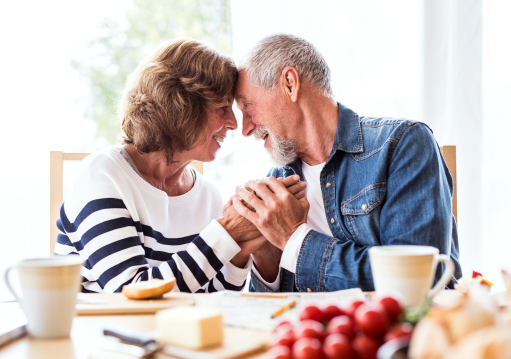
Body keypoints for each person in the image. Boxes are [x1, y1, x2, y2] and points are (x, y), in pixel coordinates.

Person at [54, 38, 305, 293]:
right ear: (181, 108)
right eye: (222, 108)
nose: (233, 124)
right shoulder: (102, 176)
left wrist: (240, 247)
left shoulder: (208, 196)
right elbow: (131, 292)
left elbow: (213, 299)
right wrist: (226, 233)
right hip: (93, 332)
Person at [228, 33, 461, 293]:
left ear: (290, 84)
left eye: (247, 105)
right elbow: (273, 315)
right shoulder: (279, 183)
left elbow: (416, 282)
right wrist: (267, 259)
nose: (246, 128)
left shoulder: (402, 145)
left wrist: (294, 239)